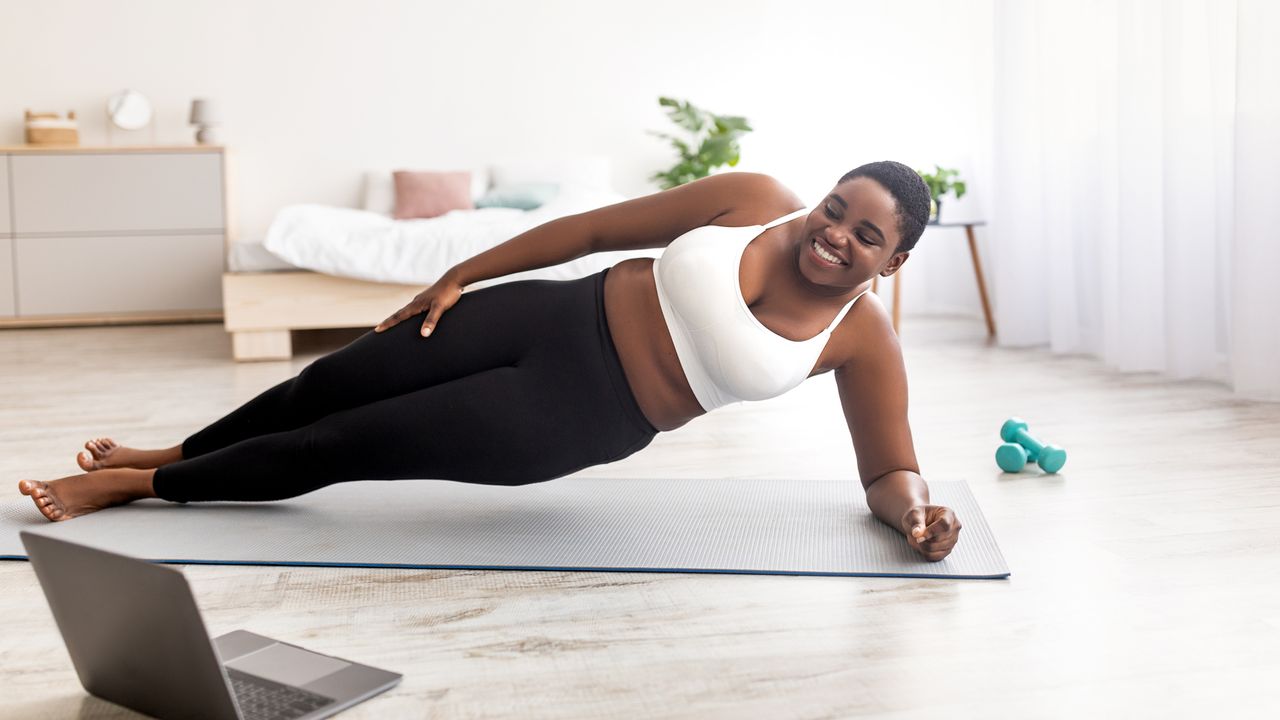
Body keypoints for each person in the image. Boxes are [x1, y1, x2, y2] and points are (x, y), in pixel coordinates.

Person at [18, 161, 962, 562]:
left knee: (344, 441)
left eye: (866, 234)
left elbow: (887, 470)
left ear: (896, 260)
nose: (835, 233)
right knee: (331, 381)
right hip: (548, 315)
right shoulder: (754, 196)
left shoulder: (863, 340)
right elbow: (593, 227)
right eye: (838, 207)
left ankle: (136, 490)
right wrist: (459, 275)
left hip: (581, 414)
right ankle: (173, 453)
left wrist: (916, 516)